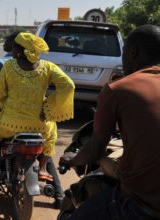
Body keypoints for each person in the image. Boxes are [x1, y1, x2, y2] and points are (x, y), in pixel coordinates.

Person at [59, 24, 160, 220]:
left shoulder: (118, 89)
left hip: (142, 205)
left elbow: (95, 150)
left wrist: (72, 160)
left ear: (133, 52)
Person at [0, 33, 72, 204]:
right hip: (39, 126)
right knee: (51, 133)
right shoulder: (48, 67)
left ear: (19, 51)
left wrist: (8, 108)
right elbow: (68, 85)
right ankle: (43, 170)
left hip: (9, 124)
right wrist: (50, 107)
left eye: (14, 47)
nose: (11, 49)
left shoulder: (8, 66)